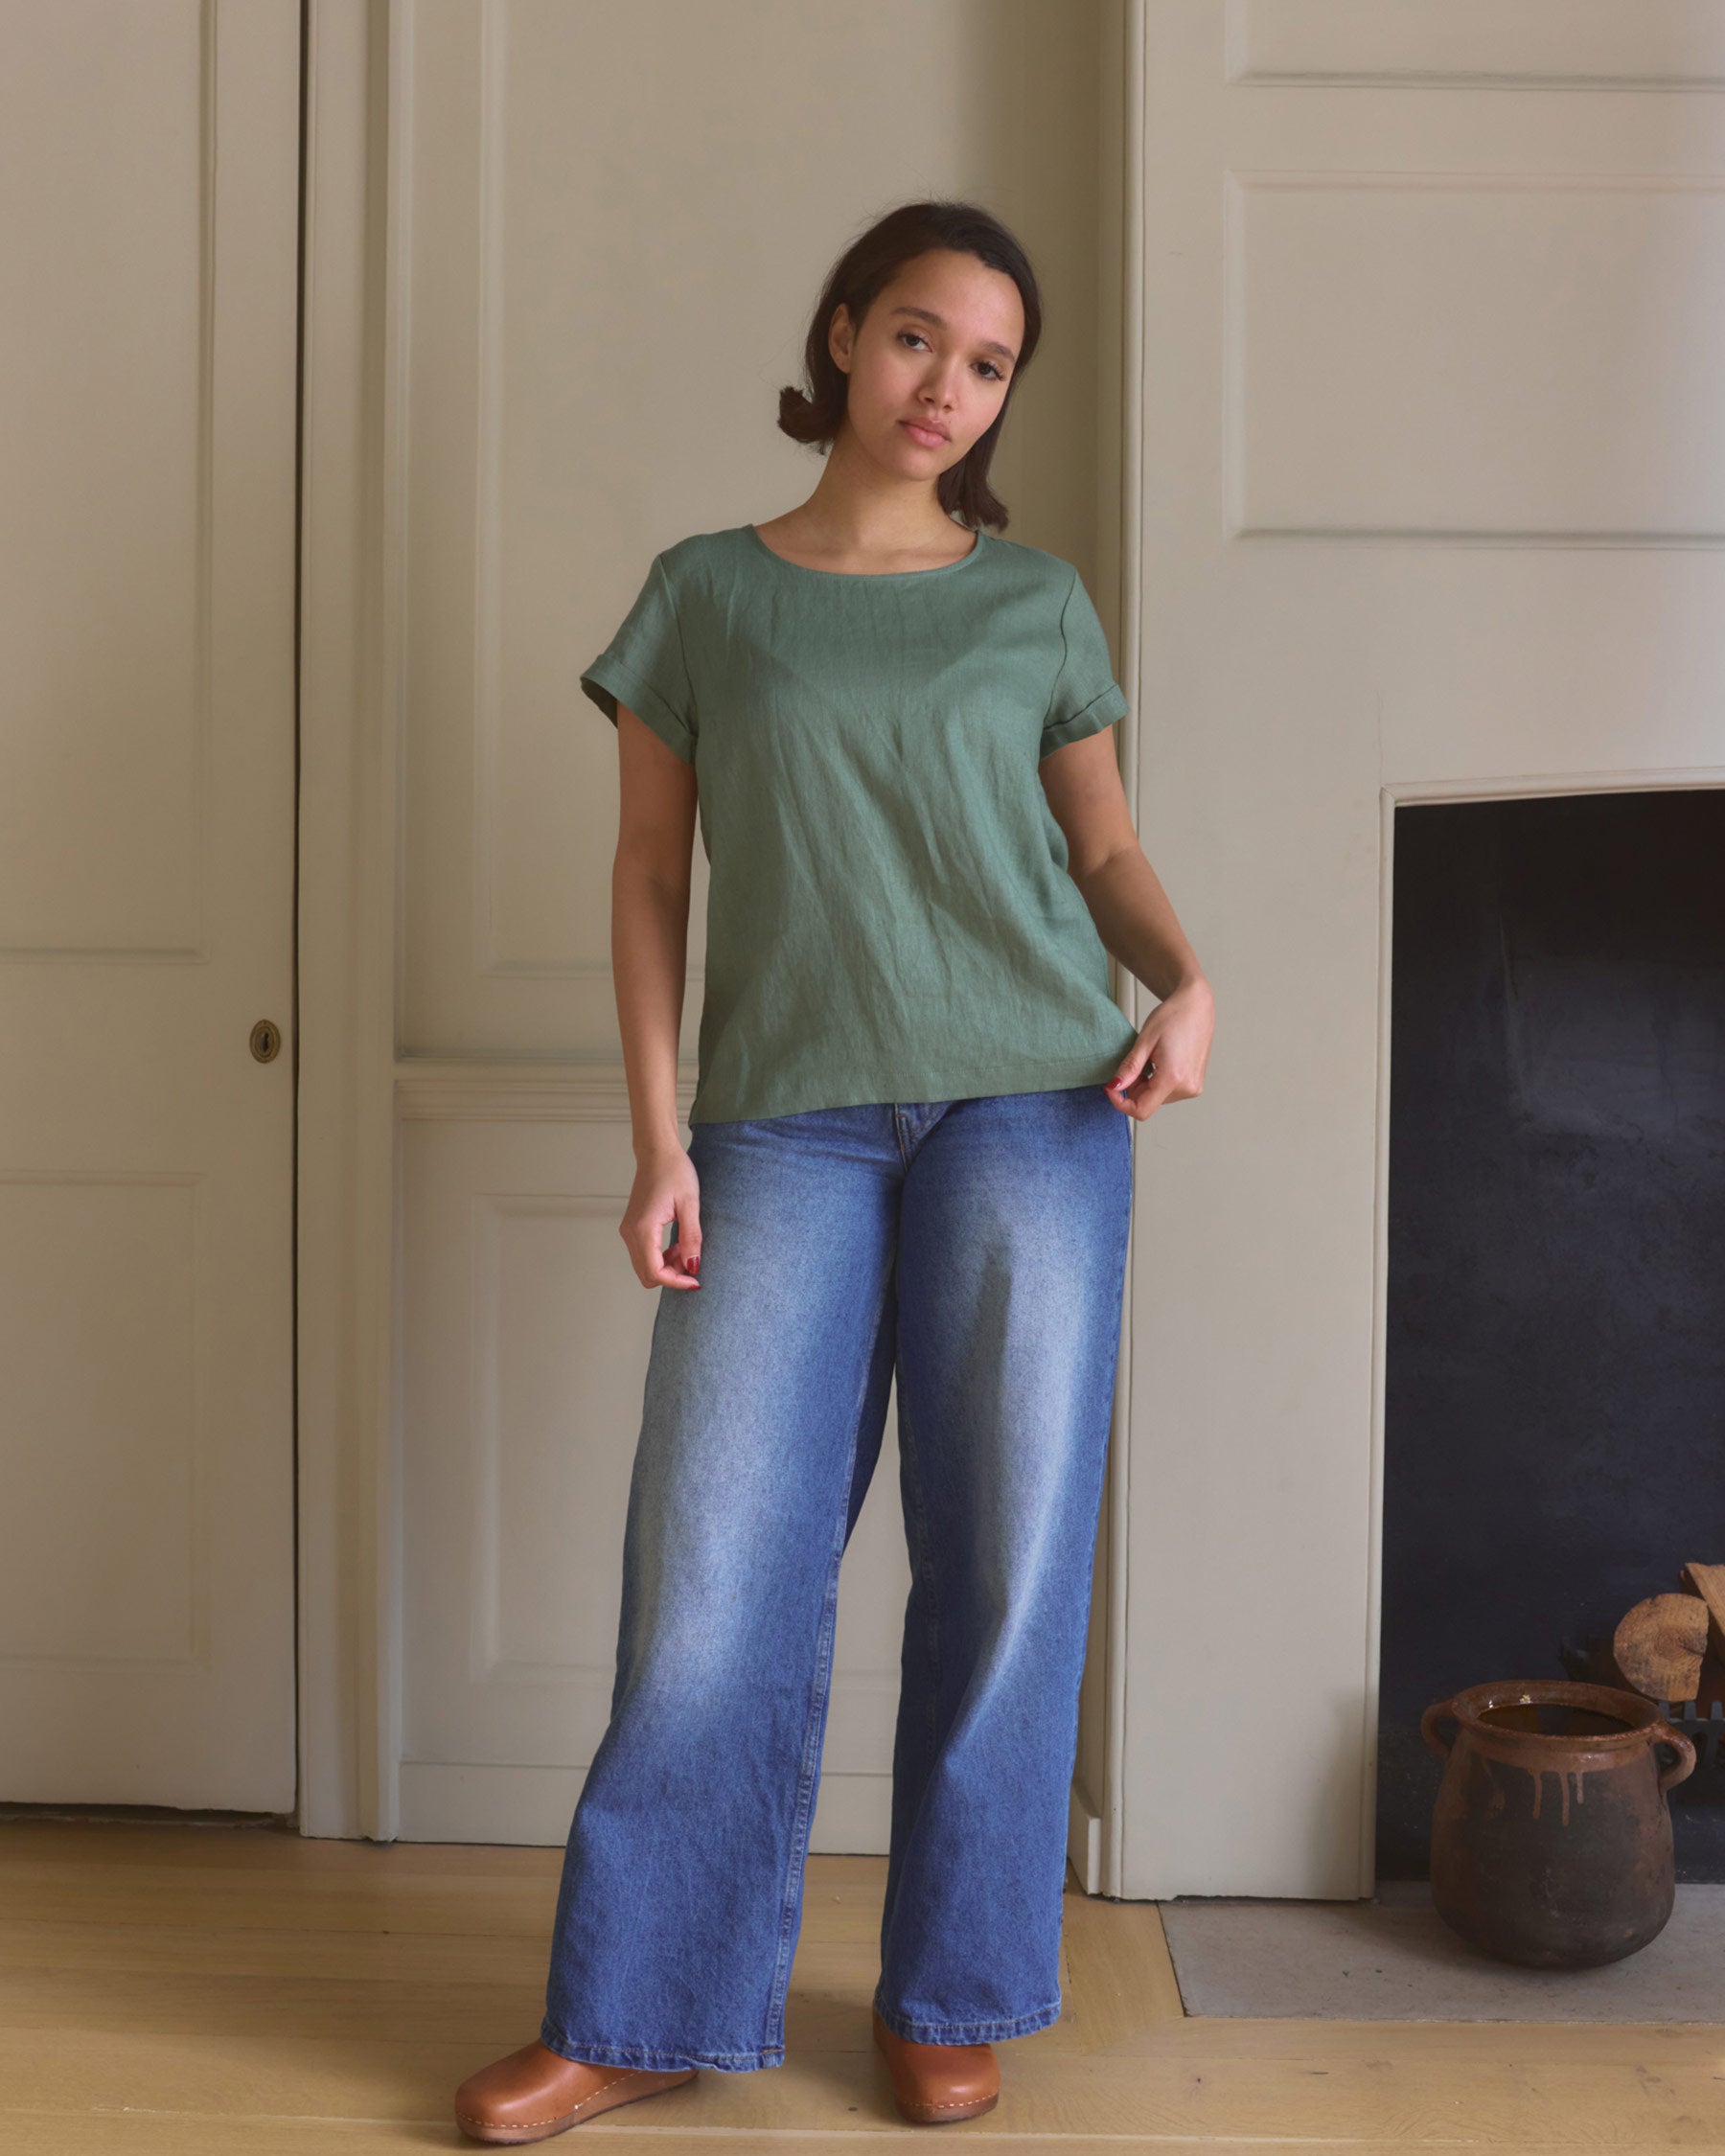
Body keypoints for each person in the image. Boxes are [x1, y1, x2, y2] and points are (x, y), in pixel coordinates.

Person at [453, 197, 1214, 2145]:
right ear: (843, 333)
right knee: (715, 1574)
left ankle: (953, 1987)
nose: (945, 388)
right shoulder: (707, 594)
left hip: (1037, 1109)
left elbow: (1104, 848)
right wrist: (654, 1141)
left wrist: (1187, 978)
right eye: (915, 340)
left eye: (987, 364)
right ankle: (640, 2007)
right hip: (781, 1118)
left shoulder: (1034, 599)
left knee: (1005, 1567)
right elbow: (644, 879)